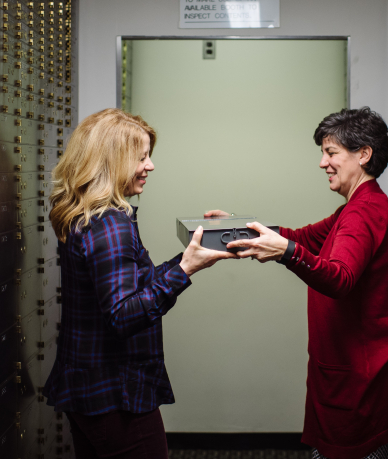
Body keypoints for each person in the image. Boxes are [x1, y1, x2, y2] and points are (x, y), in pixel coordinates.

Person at [208, 107, 388, 459]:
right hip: (349, 372)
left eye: (331, 152)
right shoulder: (356, 207)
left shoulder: (364, 212)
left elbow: (340, 278)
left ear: (364, 154)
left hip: (360, 381)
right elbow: (304, 238)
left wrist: (286, 253)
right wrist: (244, 230)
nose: (323, 163)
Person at [45, 108, 235, 459]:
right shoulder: (110, 224)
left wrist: (188, 260)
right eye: (142, 157)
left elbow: (132, 285)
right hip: (115, 396)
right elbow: (123, 315)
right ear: (112, 161)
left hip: (89, 388)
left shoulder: (87, 215)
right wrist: (184, 271)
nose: (150, 166)